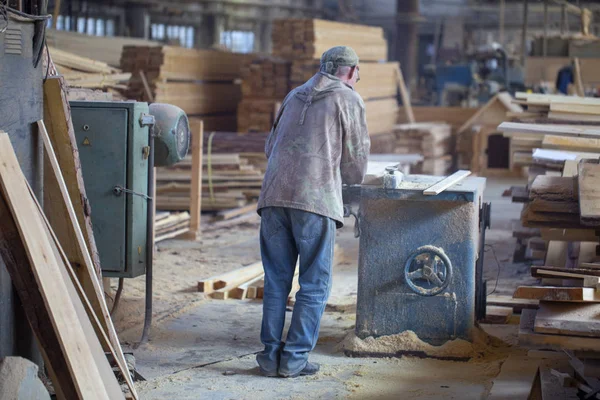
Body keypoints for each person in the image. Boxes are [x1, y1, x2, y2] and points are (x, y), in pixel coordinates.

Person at [255, 46, 370, 378]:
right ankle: (294, 359)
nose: (358, 77)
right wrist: (350, 190)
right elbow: (356, 159)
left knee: (276, 280)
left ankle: (269, 356)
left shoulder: (293, 95)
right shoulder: (348, 99)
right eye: (358, 71)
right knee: (314, 283)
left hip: (273, 196)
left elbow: (269, 147)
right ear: (349, 71)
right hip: (315, 199)